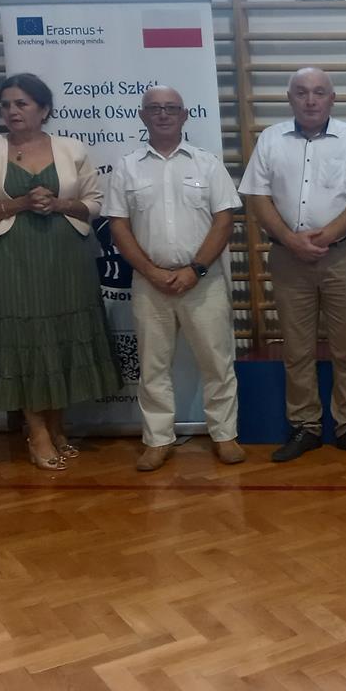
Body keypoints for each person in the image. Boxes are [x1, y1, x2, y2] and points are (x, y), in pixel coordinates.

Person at [0, 72, 121, 470]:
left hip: (65, 257)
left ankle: (56, 425)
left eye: (22, 103)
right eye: (6, 105)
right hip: (9, 256)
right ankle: (37, 433)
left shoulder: (71, 147)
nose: (12, 111)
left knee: (59, 337)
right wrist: (20, 204)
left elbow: (94, 203)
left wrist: (59, 204)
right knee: (26, 339)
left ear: (44, 109)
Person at [240, 67, 346, 462]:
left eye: (319, 92)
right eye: (302, 92)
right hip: (287, 257)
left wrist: (325, 237)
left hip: (342, 256)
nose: (310, 100)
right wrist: (290, 239)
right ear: (289, 98)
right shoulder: (270, 139)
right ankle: (305, 426)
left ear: (332, 98)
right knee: (297, 348)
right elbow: (256, 197)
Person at [104, 87, 244, 471]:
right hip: (149, 283)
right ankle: (157, 440)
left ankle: (224, 435)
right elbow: (118, 226)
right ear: (143, 116)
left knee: (217, 361)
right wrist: (151, 271)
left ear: (184, 115)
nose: (163, 114)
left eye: (170, 108)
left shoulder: (207, 164)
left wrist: (195, 269)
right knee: (152, 366)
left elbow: (224, 220)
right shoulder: (127, 167)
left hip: (203, 281)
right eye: (154, 108)